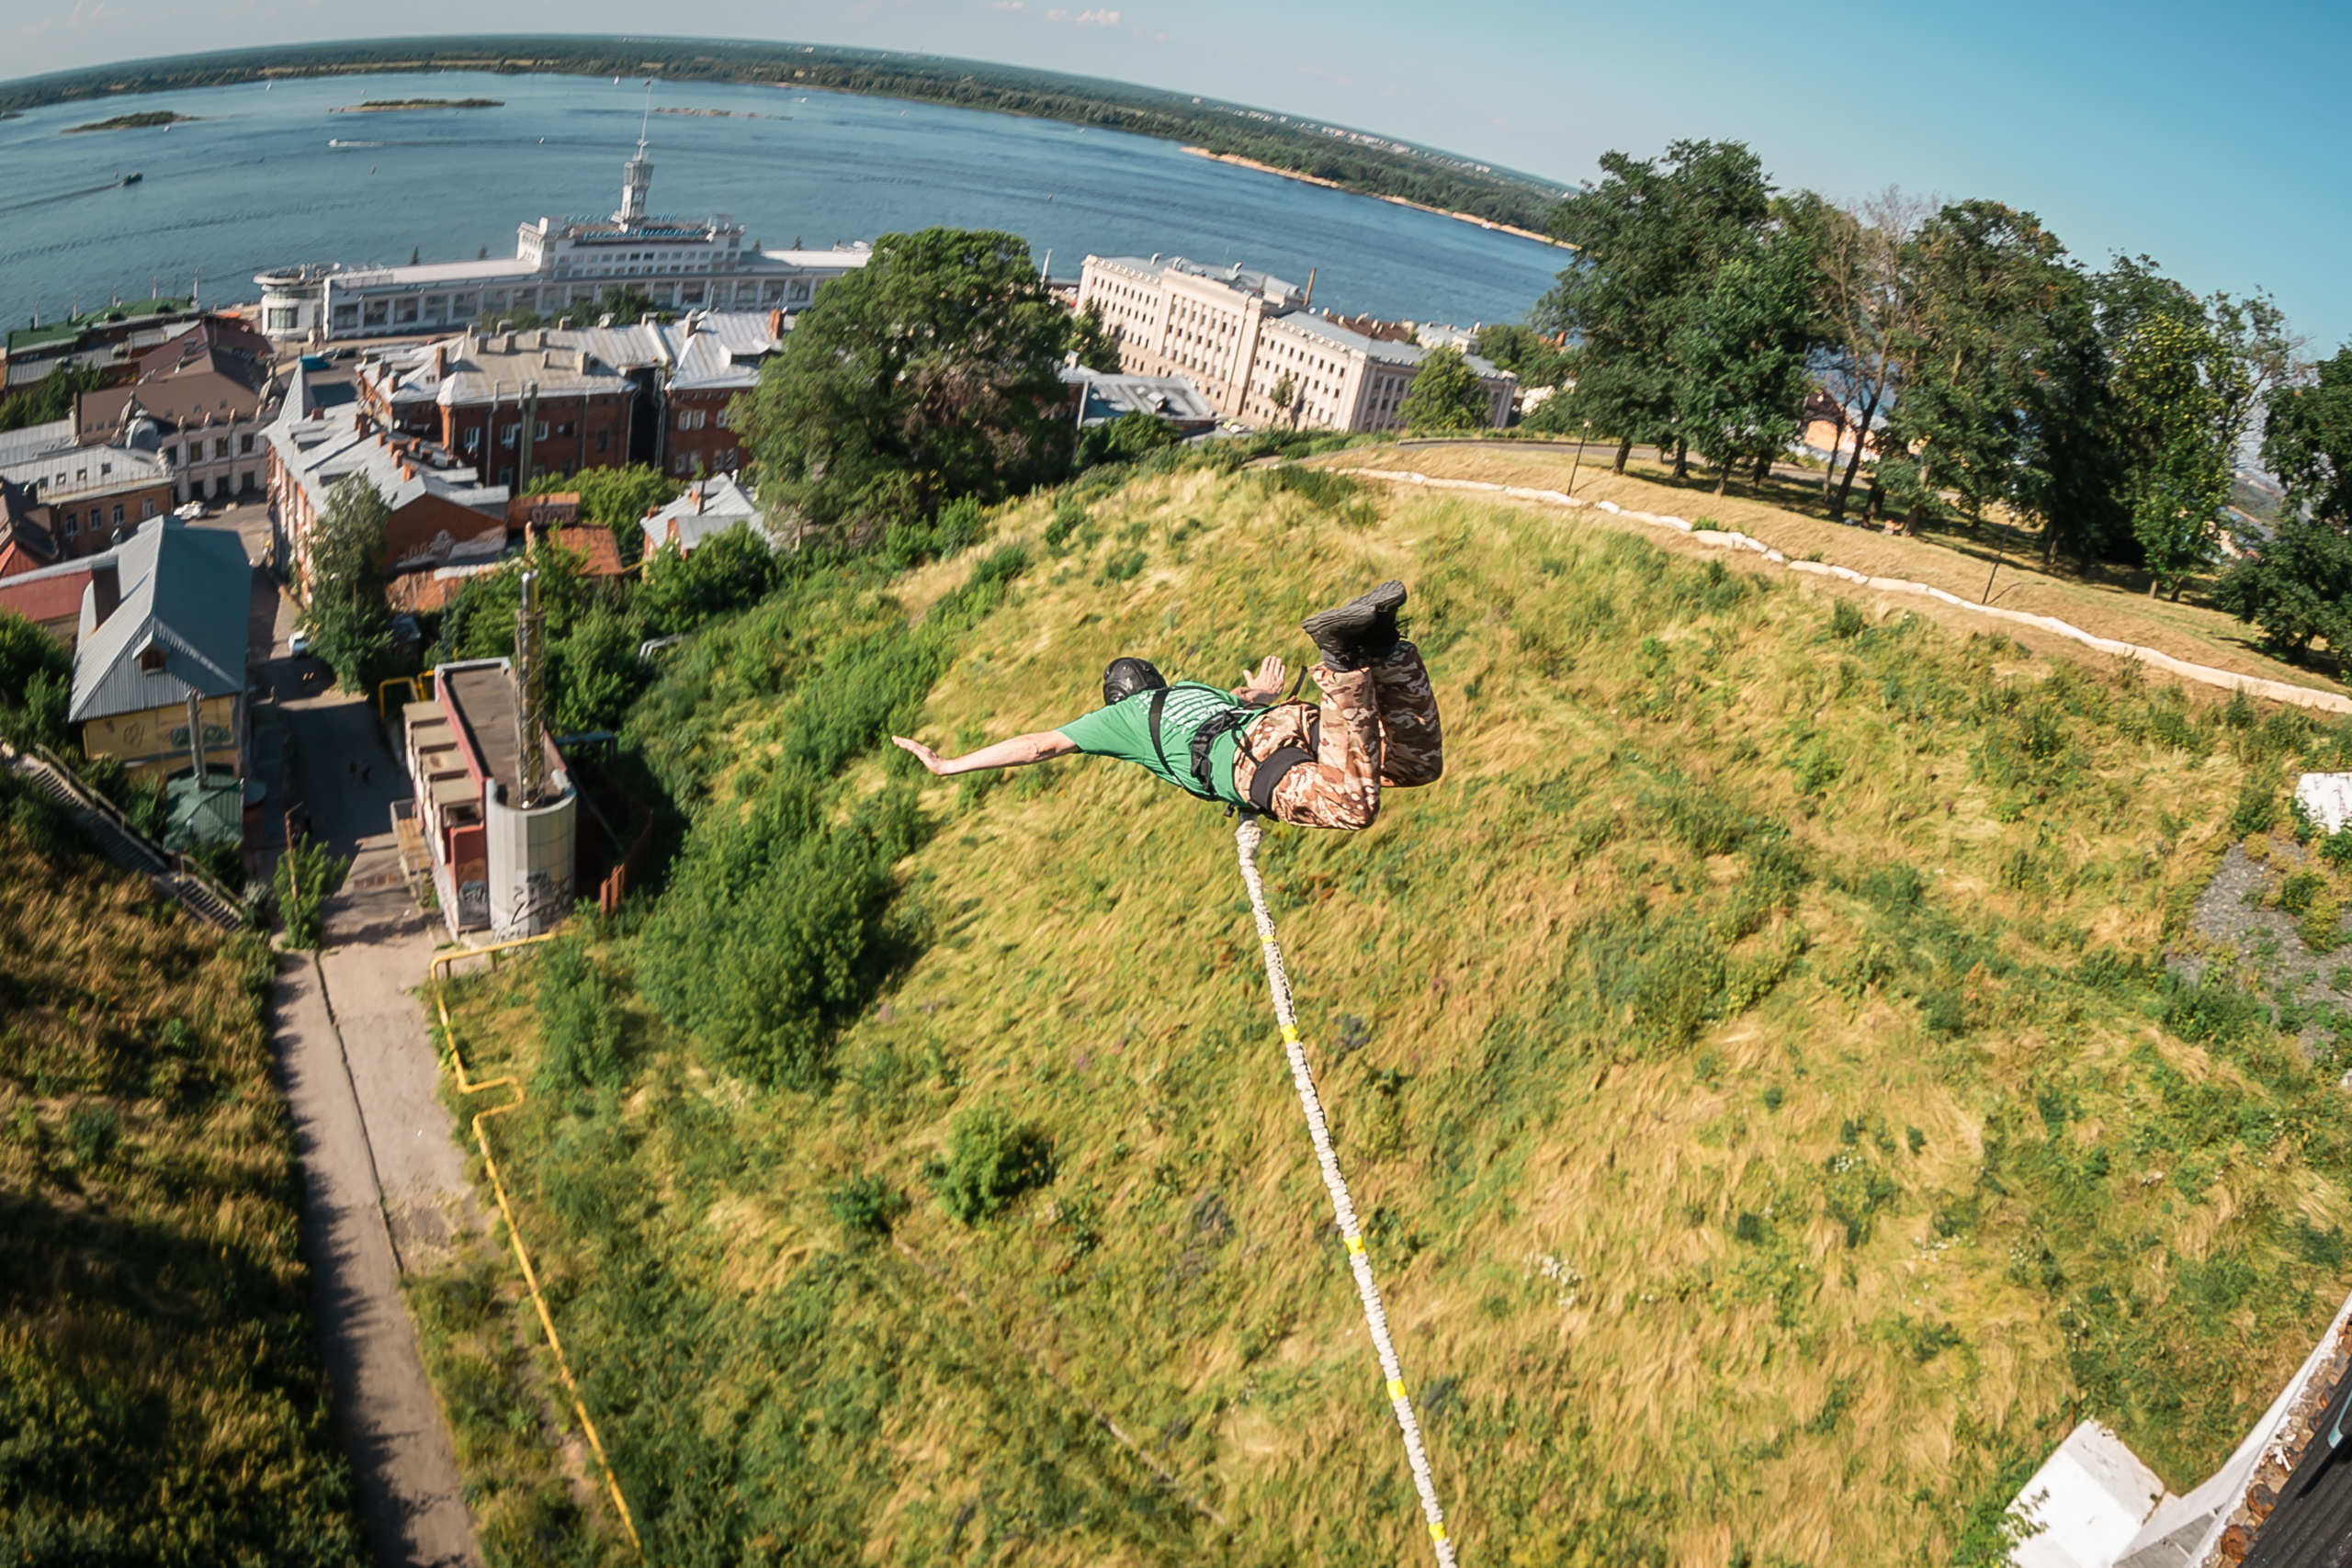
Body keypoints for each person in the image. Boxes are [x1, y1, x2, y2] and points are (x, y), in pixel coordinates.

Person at [891, 581, 1442, 830]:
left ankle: (1344, 659)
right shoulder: (1188, 690)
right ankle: (1385, 649)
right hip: (1280, 721)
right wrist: (1265, 696)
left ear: (1115, 701)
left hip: (1252, 763)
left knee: (1353, 807)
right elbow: (1243, 699)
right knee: (1416, 765)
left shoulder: (1122, 718)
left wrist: (949, 765)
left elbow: (1038, 746)